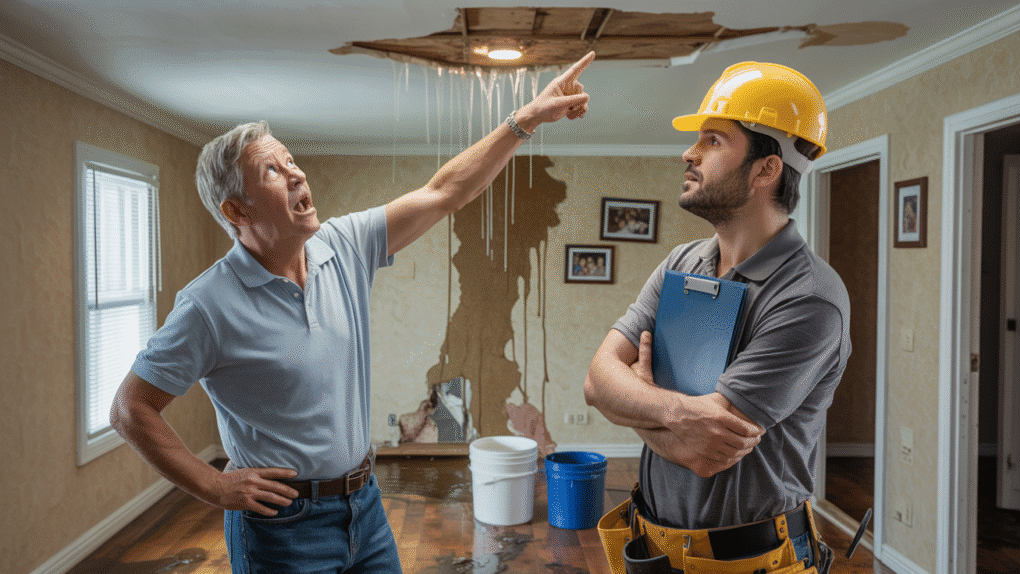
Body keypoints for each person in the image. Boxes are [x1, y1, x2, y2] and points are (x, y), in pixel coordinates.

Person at [110, 51, 595, 573]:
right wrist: (210, 484)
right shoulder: (209, 304)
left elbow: (445, 191)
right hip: (281, 527)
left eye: (292, 161)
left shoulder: (344, 245)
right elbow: (130, 408)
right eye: (273, 170)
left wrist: (524, 120)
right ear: (237, 210)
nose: (296, 174)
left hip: (363, 505)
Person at [584, 62, 851, 574]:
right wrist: (679, 414)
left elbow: (706, 455)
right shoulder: (681, 263)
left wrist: (637, 395)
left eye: (713, 140)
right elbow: (597, 382)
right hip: (652, 544)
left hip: (748, 559)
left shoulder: (809, 298)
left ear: (765, 169)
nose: (689, 152)